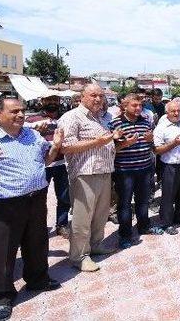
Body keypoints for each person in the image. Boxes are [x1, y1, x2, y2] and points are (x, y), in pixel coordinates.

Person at [0, 98, 62, 320]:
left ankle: (38, 279)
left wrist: (54, 146)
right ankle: (0, 297)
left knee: (37, 243)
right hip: (3, 206)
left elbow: (45, 161)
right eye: (14, 111)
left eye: (22, 111)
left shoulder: (33, 136)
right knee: (2, 253)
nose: (21, 115)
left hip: (36, 200)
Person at [58, 84, 119, 273]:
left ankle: (96, 244)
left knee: (100, 214)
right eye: (93, 95)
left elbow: (105, 144)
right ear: (82, 97)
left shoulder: (100, 118)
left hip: (104, 170)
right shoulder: (71, 117)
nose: (98, 99)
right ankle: (80, 256)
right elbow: (66, 147)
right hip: (84, 173)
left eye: (101, 96)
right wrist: (98, 142)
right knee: (82, 218)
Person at [108, 94, 163, 249]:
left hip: (145, 168)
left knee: (143, 201)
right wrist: (126, 143)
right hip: (124, 171)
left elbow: (151, 144)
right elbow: (111, 149)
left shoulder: (146, 122)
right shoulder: (115, 124)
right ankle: (125, 235)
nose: (138, 108)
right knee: (124, 204)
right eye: (134, 105)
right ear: (124, 106)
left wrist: (150, 139)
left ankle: (144, 226)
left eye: (140, 105)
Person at [26, 95, 71, 238]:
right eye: (48, 100)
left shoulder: (65, 118)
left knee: (64, 196)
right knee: (39, 198)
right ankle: (39, 226)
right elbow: (24, 140)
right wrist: (37, 133)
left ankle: (62, 225)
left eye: (55, 100)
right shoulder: (32, 120)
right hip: (41, 164)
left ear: (59, 102)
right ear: (42, 102)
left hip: (62, 164)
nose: (52, 103)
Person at [153, 101, 180, 235]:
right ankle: (166, 223)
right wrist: (174, 144)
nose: (177, 113)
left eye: (178, 110)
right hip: (170, 166)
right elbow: (157, 150)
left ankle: (179, 217)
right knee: (168, 196)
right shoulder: (161, 127)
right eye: (173, 111)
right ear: (167, 112)